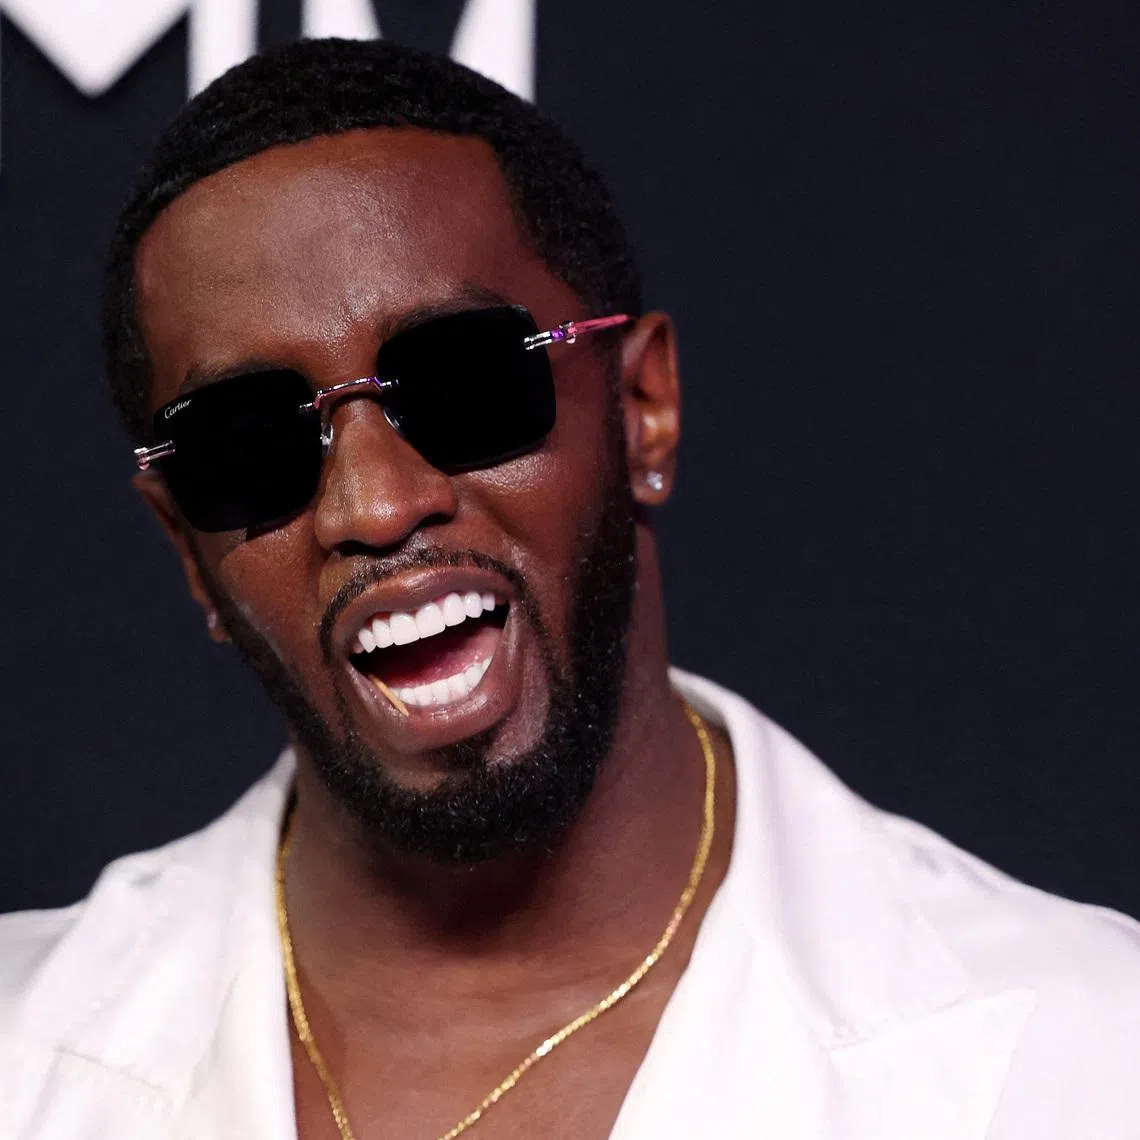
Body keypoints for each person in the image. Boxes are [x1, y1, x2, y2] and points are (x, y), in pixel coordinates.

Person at [1, 37, 1137, 1140]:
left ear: (643, 407)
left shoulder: (1091, 1056)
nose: (376, 506)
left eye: (464, 383)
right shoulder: (22, 1049)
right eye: (248, 446)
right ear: (188, 549)